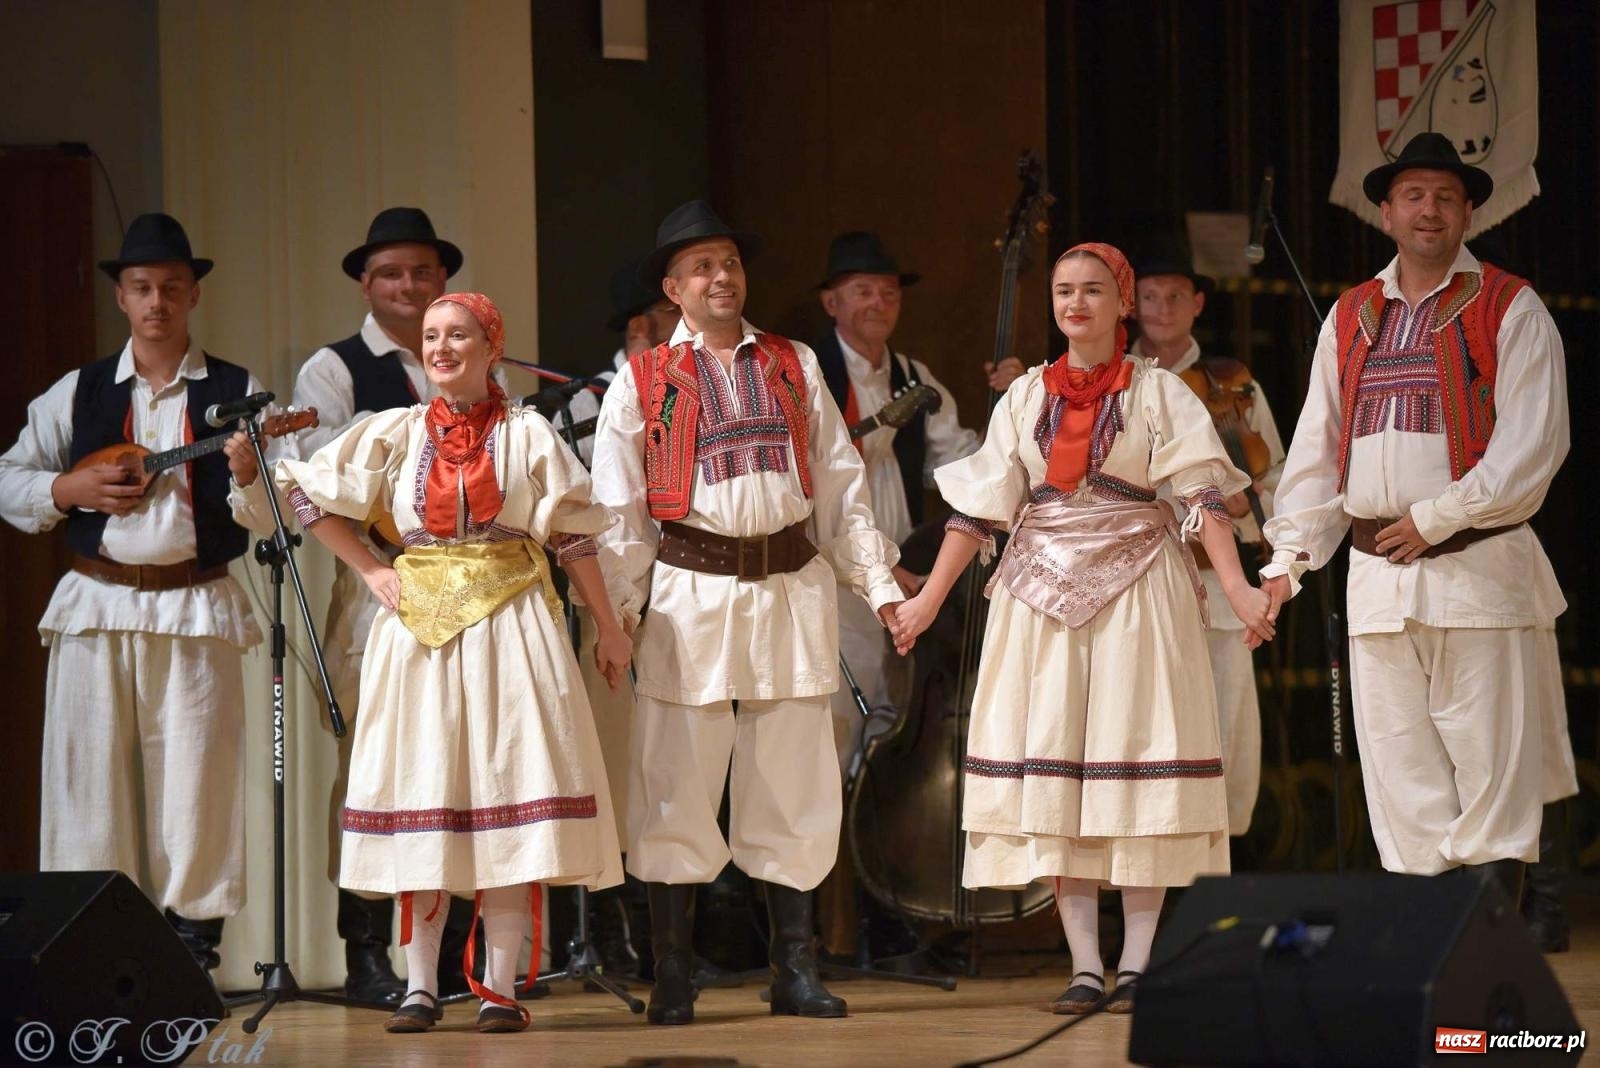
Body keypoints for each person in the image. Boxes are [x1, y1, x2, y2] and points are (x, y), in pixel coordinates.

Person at [889, 241, 1275, 1015]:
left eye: (1093, 290)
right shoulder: (1027, 396)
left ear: (1121, 302)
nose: (1076, 303)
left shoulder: (1161, 393)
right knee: (1059, 766)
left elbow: (1202, 496)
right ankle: (1084, 966)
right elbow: (982, 506)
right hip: (1040, 594)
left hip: (1140, 588)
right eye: (1064, 290)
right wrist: (927, 600)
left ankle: (1136, 964)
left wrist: (1237, 587)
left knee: (1137, 766)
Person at [275, 292, 628, 1034]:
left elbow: (572, 538)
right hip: (419, 630)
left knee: (507, 786)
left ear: (490, 345)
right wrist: (373, 570)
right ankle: (421, 986)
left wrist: (607, 625)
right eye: (431, 335)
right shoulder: (394, 434)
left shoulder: (527, 435)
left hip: (513, 626)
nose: (440, 347)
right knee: (425, 787)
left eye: (457, 334)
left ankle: (499, 986)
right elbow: (308, 497)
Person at [590, 200, 903, 1025]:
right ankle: (675, 972)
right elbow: (618, 511)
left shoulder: (794, 362)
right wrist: (615, 619)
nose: (720, 276)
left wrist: (880, 589)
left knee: (792, 775)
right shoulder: (644, 378)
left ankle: (793, 967)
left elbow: (841, 489)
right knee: (676, 777)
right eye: (701, 267)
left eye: (729, 261)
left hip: (789, 586)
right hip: (690, 590)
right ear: (672, 288)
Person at [1259, 133, 1576, 905]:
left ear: (1469, 210)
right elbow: (1315, 452)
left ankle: (1495, 945)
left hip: (1478, 571)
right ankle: (1437, 951)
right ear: (1385, 212)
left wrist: (1437, 517)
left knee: (1490, 762)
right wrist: (1286, 563)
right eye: (1413, 196)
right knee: (1400, 770)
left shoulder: (1511, 305)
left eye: (1444, 196)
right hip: (1376, 580)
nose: (1428, 210)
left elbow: (1533, 446)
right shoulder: (1351, 315)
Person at [0, 213, 277, 975]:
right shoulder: (80, 390)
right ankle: (91, 955)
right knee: (88, 780)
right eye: (142, 288)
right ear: (122, 297)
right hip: (97, 603)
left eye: (171, 288)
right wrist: (66, 485)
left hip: (195, 604)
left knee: (200, 783)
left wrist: (252, 474)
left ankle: (192, 958)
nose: (157, 302)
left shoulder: (236, 389)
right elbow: (9, 478)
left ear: (193, 296)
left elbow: (275, 508)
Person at [283, 206, 474, 1003]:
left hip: (469, 582)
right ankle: (364, 949)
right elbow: (317, 473)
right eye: (390, 273)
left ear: (443, 281)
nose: (407, 286)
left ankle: (459, 955)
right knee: (370, 765)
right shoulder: (333, 368)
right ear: (367, 283)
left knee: (464, 762)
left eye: (422, 272)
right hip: (378, 580)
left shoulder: (468, 355)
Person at [812, 230, 1023, 773]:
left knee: (891, 712)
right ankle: (830, 856)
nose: (879, 303)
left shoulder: (914, 378)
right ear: (831, 301)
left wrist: (1016, 405)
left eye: (889, 292)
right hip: (829, 578)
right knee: (833, 724)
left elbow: (963, 466)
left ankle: (875, 843)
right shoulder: (808, 374)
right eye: (863, 291)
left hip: (901, 568)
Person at [1131, 244, 1286, 837]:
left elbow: (1276, 475)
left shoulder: (1232, 383)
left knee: (1222, 718)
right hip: (1132, 577)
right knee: (1140, 724)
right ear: (1131, 304)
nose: (1163, 307)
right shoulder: (1113, 379)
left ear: (1197, 302)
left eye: (1175, 296)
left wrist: (1250, 503)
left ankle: (1216, 857)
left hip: (1212, 577)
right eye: (1150, 296)